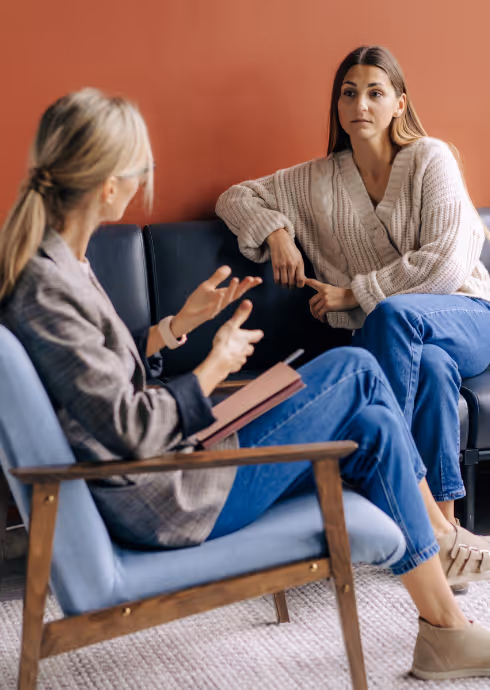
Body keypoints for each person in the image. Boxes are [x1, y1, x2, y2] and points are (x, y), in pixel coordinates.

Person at [1, 88, 490, 681]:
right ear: (108, 185)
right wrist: (213, 367)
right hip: (165, 495)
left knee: (369, 416)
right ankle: (440, 548)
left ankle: (444, 628)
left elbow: (103, 378)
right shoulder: (45, 285)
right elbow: (128, 428)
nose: (143, 181)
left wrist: (181, 325)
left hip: (171, 467)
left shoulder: (60, 265)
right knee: (357, 372)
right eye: (141, 170)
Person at [216, 44, 490, 558]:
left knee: (392, 316)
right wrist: (276, 232)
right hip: (401, 334)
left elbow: (449, 262)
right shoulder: (319, 179)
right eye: (349, 93)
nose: (360, 104)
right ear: (337, 106)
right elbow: (235, 197)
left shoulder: (432, 157)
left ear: (399, 105)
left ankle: (403, 496)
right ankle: (444, 528)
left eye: (375, 92)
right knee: (427, 367)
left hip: (467, 314)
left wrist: (355, 293)